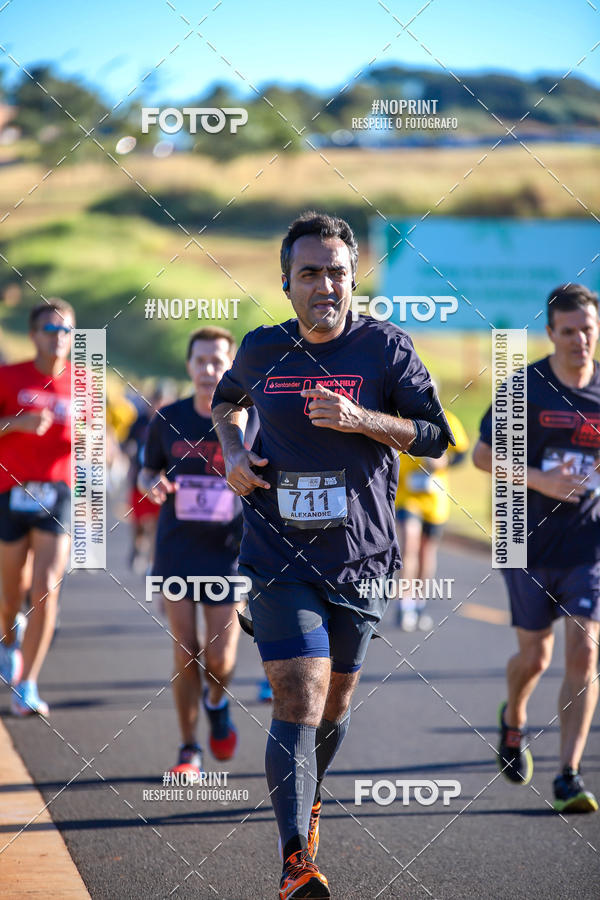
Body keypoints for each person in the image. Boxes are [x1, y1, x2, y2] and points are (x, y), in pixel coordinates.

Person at [211, 211, 454, 899]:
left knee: (334, 706)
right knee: (300, 689)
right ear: (286, 281)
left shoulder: (385, 350)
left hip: (361, 559)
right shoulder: (262, 350)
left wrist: (363, 420)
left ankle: (307, 798)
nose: (325, 285)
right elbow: (226, 403)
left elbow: (437, 436)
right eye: (310, 272)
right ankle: (295, 861)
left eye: (337, 272)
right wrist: (232, 451)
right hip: (277, 554)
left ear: (354, 279)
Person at [473, 283, 600, 814]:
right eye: (568, 331)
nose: (579, 340)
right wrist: (540, 481)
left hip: (587, 545)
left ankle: (569, 774)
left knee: (584, 652)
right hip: (523, 539)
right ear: (550, 334)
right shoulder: (524, 389)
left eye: (587, 329)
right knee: (535, 655)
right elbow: (481, 456)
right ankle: (514, 718)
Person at [139, 326, 257, 776]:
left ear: (231, 366)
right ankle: (189, 749)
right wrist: (149, 482)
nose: (209, 369)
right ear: (188, 366)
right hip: (177, 550)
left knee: (221, 660)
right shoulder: (166, 418)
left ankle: (216, 701)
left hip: (228, 553)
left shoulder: (252, 418)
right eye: (201, 361)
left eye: (218, 361)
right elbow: (147, 467)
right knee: (185, 651)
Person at [0, 299, 74, 716]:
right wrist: (18, 422)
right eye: (50, 329)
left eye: (66, 330)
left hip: (57, 495)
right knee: (10, 597)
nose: (59, 338)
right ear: (33, 335)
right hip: (8, 492)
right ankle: (9, 641)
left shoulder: (84, 385)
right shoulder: (9, 377)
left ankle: (27, 684)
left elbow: (94, 447)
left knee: (46, 588)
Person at [395, 407, 469, 631]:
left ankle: (419, 604)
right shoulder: (400, 418)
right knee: (409, 544)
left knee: (426, 551)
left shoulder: (447, 418)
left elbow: (462, 453)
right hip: (407, 493)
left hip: (434, 497)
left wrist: (444, 462)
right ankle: (404, 605)